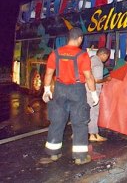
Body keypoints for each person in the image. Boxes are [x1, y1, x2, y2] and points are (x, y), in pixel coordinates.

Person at [42, 27, 98, 165]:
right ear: (80, 39)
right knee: (79, 123)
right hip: (77, 90)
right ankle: (80, 157)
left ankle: (53, 154)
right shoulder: (82, 55)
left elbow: (49, 73)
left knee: (57, 121)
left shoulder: (55, 53)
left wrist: (47, 89)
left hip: (60, 89)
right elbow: (89, 76)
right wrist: (93, 93)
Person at [87, 47, 111, 142]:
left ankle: (76, 133)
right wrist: (106, 79)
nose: (107, 59)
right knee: (93, 112)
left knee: (84, 112)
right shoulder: (98, 63)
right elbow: (97, 80)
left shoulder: (91, 59)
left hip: (85, 89)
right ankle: (94, 134)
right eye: (107, 57)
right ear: (103, 55)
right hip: (92, 91)